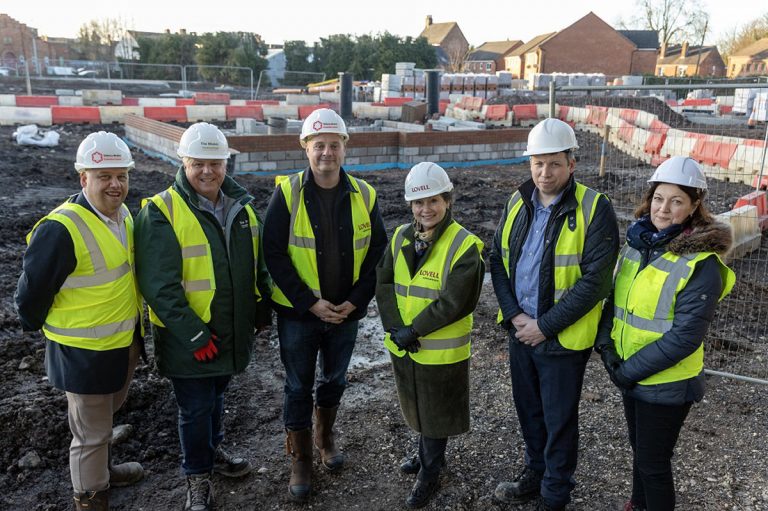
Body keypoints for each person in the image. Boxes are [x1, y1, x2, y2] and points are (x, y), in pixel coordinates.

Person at [134, 122, 271, 511]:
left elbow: (256, 263)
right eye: (198, 163)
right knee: (194, 408)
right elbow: (159, 287)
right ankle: (197, 477)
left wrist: (261, 307)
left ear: (226, 163)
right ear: (183, 162)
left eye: (215, 163)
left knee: (215, 397)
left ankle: (213, 452)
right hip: (189, 339)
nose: (208, 171)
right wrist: (194, 336)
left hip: (229, 330)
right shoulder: (161, 211)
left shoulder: (241, 207)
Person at [490, 118, 620, 511]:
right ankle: (535, 472)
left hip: (561, 339)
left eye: (554, 164)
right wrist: (515, 317)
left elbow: (596, 282)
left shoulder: (595, 208)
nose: (544, 173)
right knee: (528, 411)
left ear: (572, 163)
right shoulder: (518, 201)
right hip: (520, 331)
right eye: (537, 164)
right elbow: (497, 259)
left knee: (559, 419)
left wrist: (543, 327)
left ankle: (555, 492)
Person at [595, 156, 735, 511]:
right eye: (659, 198)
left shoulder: (701, 264)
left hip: (667, 382)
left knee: (654, 464)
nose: (664, 208)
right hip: (631, 372)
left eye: (676, 201)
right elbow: (616, 303)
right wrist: (607, 348)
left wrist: (627, 371)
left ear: (694, 207)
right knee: (639, 449)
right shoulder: (638, 246)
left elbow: (685, 337)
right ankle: (638, 504)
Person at [15, 131, 144, 511]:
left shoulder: (123, 218)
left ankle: (103, 471)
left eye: (121, 176)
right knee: (89, 434)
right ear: (83, 178)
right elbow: (30, 296)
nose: (115, 184)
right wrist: (52, 332)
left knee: (104, 419)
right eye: (104, 176)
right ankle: (90, 498)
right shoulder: (61, 228)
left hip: (121, 345)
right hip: (82, 353)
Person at [263, 108, 387, 502]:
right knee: (298, 386)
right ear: (305, 149)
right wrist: (309, 303)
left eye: (334, 145)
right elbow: (273, 254)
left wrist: (354, 301)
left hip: (345, 314)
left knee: (334, 380)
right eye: (319, 146)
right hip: (300, 315)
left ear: (345, 148)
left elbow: (377, 255)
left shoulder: (365, 195)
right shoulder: (287, 194)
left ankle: (324, 437)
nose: (327, 153)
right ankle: (300, 458)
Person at [375, 162, 484, 509]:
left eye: (433, 201)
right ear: (411, 206)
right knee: (417, 403)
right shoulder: (401, 237)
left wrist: (413, 330)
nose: (426, 209)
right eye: (419, 203)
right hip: (407, 344)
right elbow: (385, 283)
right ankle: (426, 455)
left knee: (437, 411)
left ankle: (431, 473)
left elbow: (455, 302)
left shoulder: (464, 245)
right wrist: (395, 327)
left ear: (447, 201)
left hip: (439, 348)